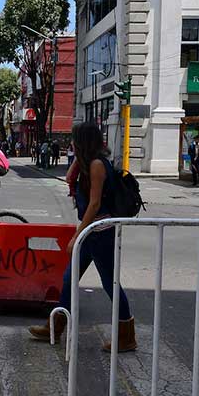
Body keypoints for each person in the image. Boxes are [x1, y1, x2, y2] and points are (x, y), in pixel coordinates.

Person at [30, 121, 134, 351]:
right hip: (92, 233)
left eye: (76, 140)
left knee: (110, 283)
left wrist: (77, 235)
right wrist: (78, 158)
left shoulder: (97, 165)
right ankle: (55, 327)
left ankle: (126, 335)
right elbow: (69, 177)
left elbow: (95, 203)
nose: (72, 144)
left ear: (84, 142)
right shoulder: (89, 163)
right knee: (69, 279)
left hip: (100, 233)